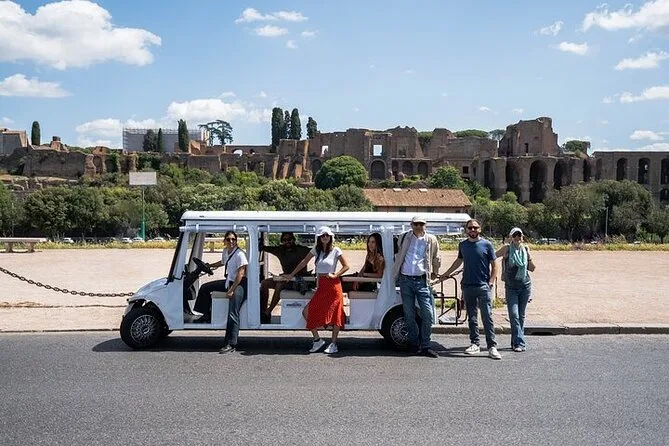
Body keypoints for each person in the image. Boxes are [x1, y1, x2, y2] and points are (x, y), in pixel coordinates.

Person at [280, 226, 349, 354]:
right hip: (321, 286)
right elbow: (303, 262)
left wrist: (335, 275)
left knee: (336, 315)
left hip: (333, 286)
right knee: (307, 312)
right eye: (322, 235)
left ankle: (334, 344)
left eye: (327, 235)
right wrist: (291, 275)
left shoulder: (336, 250)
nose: (325, 237)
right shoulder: (316, 250)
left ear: (330, 237)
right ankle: (317, 340)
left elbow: (346, 266)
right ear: (319, 237)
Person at [439, 219, 501, 360]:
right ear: (466, 230)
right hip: (467, 286)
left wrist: (491, 281)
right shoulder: (463, 245)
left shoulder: (487, 245)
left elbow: (495, 264)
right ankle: (475, 344)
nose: (473, 230)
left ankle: (492, 346)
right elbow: (458, 261)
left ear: (480, 229)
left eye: (475, 227)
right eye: (470, 228)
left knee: (487, 317)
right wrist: (445, 275)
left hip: (483, 286)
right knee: (472, 317)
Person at [391, 216, 441, 358]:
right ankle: (414, 344)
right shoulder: (404, 237)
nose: (418, 226)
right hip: (405, 280)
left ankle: (425, 345)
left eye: (421, 224)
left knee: (428, 314)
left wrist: (434, 273)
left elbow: (436, 258)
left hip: (422, 281)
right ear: (411, 225)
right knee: (408, 314)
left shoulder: (431, 239)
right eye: (416, 224)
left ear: (425, 225)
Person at [193, 231, 248, 353]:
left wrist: (231, 291)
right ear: (224, 241)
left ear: (236, 241)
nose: (231, 241)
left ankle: (231, 344)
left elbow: (241, 274)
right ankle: (205, 314)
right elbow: (223, 262)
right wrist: (209, 266)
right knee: (205, 288)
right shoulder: (226, 251)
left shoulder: (240, 254)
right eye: (228, 239)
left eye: (233, 239)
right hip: (229, 281)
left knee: (233, 312)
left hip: (239, 284)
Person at [259, 232, 311, 323]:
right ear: (282, 241)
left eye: (289, 239)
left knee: (279, 285)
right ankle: (263, 311)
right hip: (285, 278)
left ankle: (268, 311)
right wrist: (259, 244)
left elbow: (316, 250)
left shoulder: (302, 250)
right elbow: (266, 248)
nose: (287, 241)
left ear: (294, 240)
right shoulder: (280, 250)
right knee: (264, 283)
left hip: (299, 281)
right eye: (284, 240)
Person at [495, 227, 533, 352]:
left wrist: (528, 257)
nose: (517, 237)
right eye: (515, 235)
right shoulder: (506, 248)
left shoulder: (525, 249)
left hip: (525, 286)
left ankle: (516, 342)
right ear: (511, 237)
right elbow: (492, 256)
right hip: (511, 287)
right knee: (514, 315)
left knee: (520, 316)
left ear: (522, 237)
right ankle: (519, 343)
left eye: (519, 235)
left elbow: (532, 268)